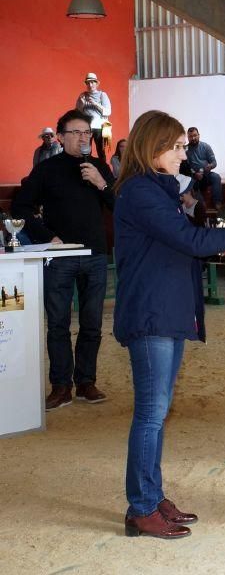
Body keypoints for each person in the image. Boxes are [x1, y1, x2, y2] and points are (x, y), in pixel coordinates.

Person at [112, 109, 225, 540]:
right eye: (176, 148)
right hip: (153, 314)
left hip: (167, 311)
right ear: (152, 149)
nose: (183, 155)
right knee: (151, 415)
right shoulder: (141, 192)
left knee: (158, 412)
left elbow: (187, 241)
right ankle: (140, 507)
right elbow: (193, 242)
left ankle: (152, 498)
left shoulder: (158, 190)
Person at [12, 109, 115, 411]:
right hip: (59, 256)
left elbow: (119, 205)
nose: (84, 137)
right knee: (57, 324)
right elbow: (21, 205)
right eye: (76, 132)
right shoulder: (47, 169)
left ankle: (86, 382)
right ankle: (60, 386)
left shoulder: (98, 166)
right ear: (60, 136)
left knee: (92, 323)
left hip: (95, 254)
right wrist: (46, 237)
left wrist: (100, 182)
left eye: (87, 132)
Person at [74, 72, 111, 163]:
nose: (90, 85)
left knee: (101, 152)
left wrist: (95, 104)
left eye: (92, 82)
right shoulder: (82, 96)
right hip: (86, 128)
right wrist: (82, 105)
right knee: (85, 151)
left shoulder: (102, 95)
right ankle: (86, 172)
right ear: (86, 84)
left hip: (99, 128)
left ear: (96, 83)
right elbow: (77, 113)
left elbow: (108, 112)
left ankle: (103, 171)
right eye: (88, 83)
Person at [185, 127, 223, 208]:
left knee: (216, 177)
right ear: (188, 137)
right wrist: (194, 173)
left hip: (206, 174)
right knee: (189, 182)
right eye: (190, 136)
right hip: (193, 176)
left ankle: (217, 203)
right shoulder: (185, 149)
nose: (193, 138)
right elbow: (186, 167)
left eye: (195, 135)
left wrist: (210, 166)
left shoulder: (206, 146)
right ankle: (201, 206)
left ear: (199, 135)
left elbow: (214, 162)